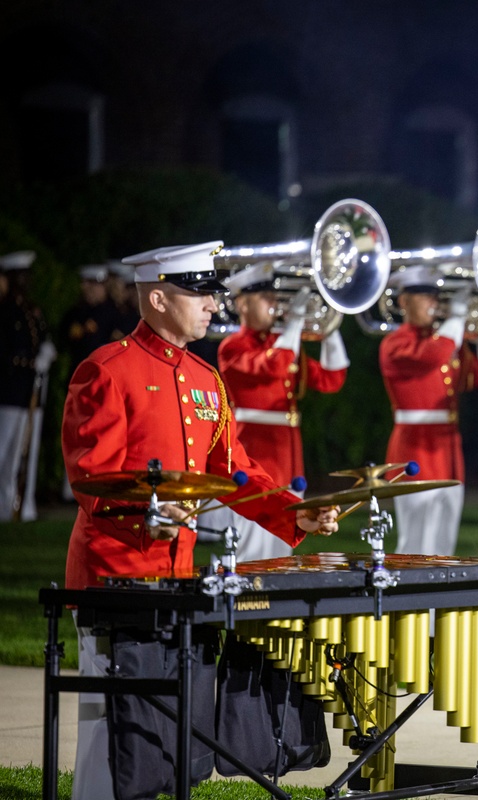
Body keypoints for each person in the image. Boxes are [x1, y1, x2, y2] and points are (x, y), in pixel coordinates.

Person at [61, 241, 340, 799]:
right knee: (112, 730)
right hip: (112, 576)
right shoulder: (107, 370)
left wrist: (294, 514)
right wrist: (149, 513)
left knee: (163, 732)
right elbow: (91, 477)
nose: (216, 304)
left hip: (176, 576)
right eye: (201, 292)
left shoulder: (205, 378)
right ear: (158, 297)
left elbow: (235, 470)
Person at [204, 263, 350, 561]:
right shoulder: (232, 346)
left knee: (283, 548)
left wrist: (329, 328)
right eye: (264, 297)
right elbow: (274, 366)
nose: (274, 303)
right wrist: (294, 323)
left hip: (288, 456)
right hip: (256, 452)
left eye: (274, 296)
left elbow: (331, 379)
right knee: (253, 549)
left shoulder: (280, 343)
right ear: (242, 303)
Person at [377, 265, 478, 556]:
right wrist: (458, 318)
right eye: (424, 296)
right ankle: (406, 601)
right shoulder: (395, 343)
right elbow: (434, 355)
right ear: (403, 301)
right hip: (414, 451)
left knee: (444, 543)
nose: (433, 302)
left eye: (435, 295)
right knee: (416, 542)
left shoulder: (449, 341)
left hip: (448, 451)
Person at [0, 250, 57, 521]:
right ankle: (4, 504)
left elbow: (42, 337)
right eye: (21, 275)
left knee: (27, 453)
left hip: (31, 392)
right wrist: (30, 362)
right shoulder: (5, 311)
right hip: (9, 392)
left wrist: (46, 351)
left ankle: (24, 505)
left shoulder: (32, 311)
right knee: (3, 450)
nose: (26, 280)